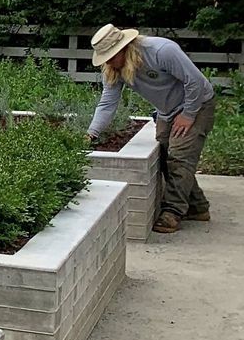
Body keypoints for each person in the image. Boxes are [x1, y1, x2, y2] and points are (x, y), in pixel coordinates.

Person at [86, 23, 215, 235]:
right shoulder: (113, 68)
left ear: (123, 49)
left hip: (198, 104)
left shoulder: (162, 51)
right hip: (167, 110)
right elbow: (108, 102)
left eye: (110, 56)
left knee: (180, 156)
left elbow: (195, 81)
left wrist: (189, 114)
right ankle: (198, 207)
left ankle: (173, 212)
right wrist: (91, 133)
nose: (107, 61)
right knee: (164, 157)